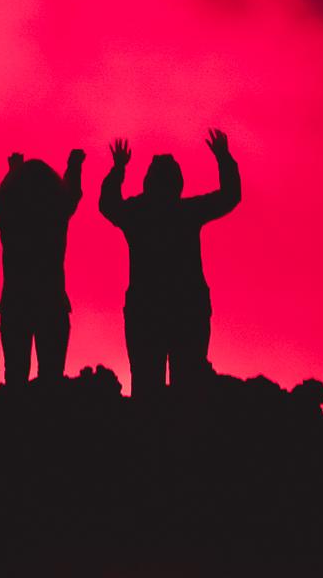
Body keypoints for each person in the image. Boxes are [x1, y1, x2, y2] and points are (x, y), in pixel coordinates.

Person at [98, 129, 241, 398]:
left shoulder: (137, 214)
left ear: (148, 182)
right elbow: (230, 196)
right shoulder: (187, 212)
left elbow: (107, 204)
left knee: (147, 388)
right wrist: (224, 158)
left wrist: (118, 170)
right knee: (185, 392)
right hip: (187, 311)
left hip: (147, 312)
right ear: (178, 184)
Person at [0, 148, 85, 386]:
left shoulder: (11, 217)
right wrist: (74, 165)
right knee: (52, 380)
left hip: (15, 303)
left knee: (15, 376)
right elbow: (72, 194)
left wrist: (12, 171)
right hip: (52, 302)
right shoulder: (56, 214)